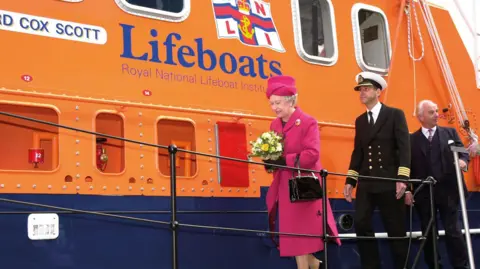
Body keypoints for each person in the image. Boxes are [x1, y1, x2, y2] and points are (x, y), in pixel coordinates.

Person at [263, 75, 341, 269]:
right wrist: (270, 162)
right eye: (272, 103)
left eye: (278, 103)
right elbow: (275, 152)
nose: (274, 107)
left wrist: (285, 160)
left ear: (290, 100)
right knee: (293, 236)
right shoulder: (274, 125)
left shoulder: (308, 122)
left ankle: (311, 265)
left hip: (304, 185)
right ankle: (314, 265)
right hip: (285, 184)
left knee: (302, 236)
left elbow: (312, 155)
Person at [343, 71, 411, 269]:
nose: (362, 93)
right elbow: (358, 152)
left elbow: (404, 147)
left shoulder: (394, 114)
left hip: (389, 182)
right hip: (367, 182)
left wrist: (402, 179)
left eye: (366, 89)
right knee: (361, 224)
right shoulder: (360, 121)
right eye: (360, 90)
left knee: (395, 230)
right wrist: (350, 180)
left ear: (378, 91)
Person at [405, 100, 470, 269]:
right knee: (428, 234)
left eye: (436, 111)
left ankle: (461, 266)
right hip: (425, 194)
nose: (437, 115)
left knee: (453, 232)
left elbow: (464, 155)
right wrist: (407, 190)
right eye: (432, 112)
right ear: (421, 117)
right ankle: (434, 266)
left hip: (449, 191)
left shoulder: (450, 133)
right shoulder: (411, 140)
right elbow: (407, 167)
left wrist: (463, 162)